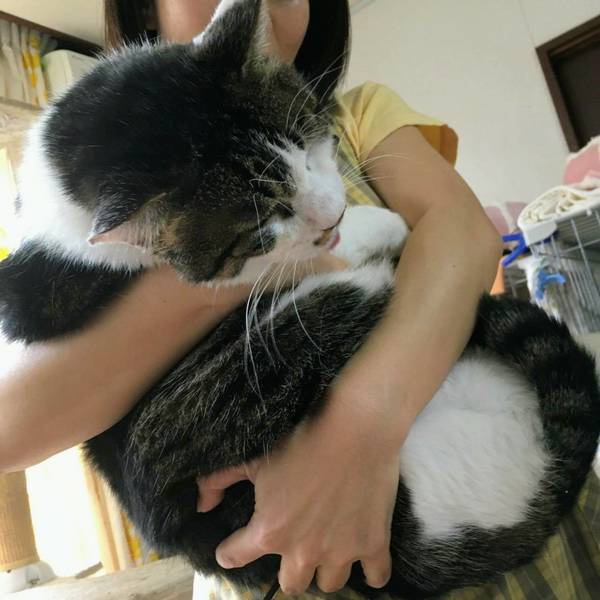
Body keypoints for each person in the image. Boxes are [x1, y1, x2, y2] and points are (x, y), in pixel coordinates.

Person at [2, 1, 597, 598]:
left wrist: (359, 423)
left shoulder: (355, 110)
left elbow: (465, 233)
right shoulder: (95, 212)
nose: (333, 211)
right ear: (144, 9)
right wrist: (229, 285)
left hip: (453, 479)